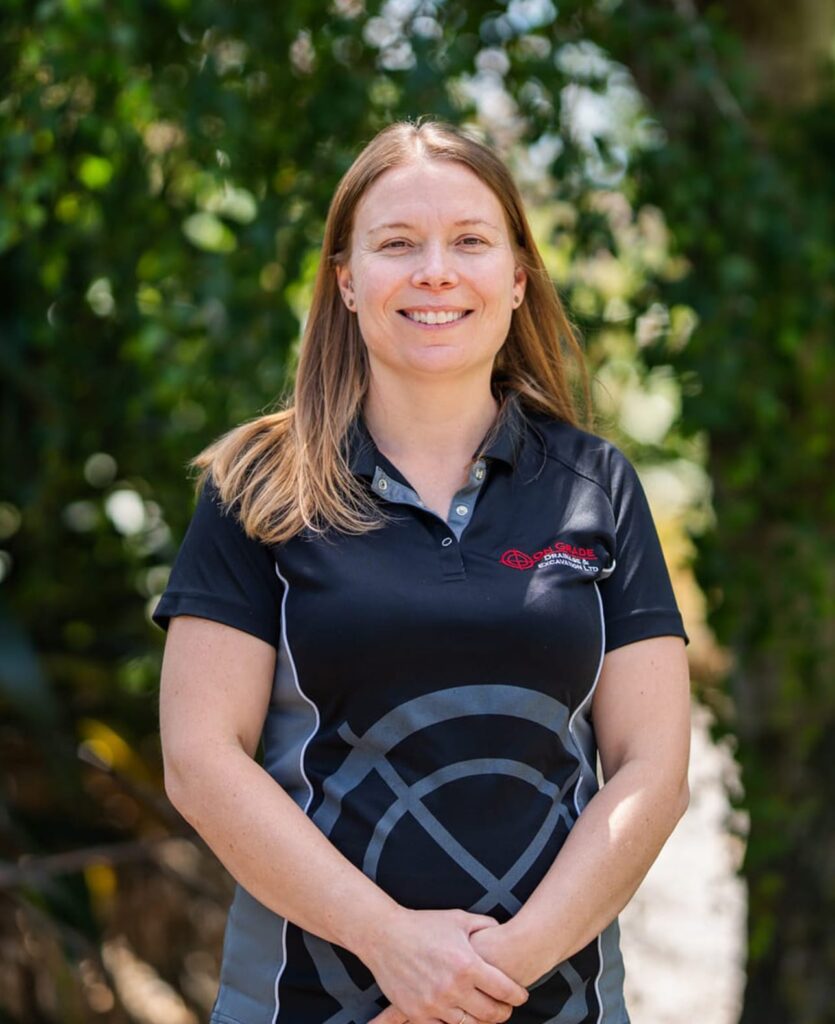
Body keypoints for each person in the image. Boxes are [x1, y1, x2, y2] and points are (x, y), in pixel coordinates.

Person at [153, 118, 691, 1024]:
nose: (434, 271)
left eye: (470, 242)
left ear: (516, 279)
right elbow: (200, 760)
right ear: (347, 282)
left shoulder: (597, 485)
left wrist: (483, 978)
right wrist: (394, 947)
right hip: (303, 1004)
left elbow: (654, 768)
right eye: (396, 244)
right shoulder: (258, 485)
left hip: (551, 1002)